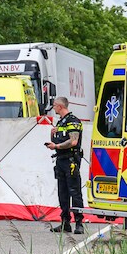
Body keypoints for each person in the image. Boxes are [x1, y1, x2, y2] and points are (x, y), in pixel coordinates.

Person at [46, 96, 86, 235]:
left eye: (54, 105)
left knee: (74, 192)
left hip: (71, 161)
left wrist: (56, 145)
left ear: (60, 106)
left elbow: (73, 141)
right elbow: (60, 139)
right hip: (60, 160)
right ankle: (65, 222)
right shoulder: (61, 122)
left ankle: (79, 223)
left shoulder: (73, 121)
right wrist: (53, 135)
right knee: (62, 192)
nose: (53, 108)